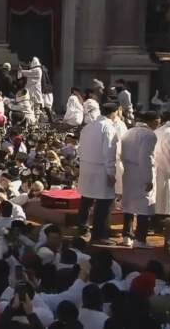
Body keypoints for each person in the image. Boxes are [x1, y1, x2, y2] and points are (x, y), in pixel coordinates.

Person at [77, 102, 120, 245]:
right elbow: (109, 153)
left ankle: (82, 229)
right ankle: (99, 235)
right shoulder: (108, 128)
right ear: (114, 112)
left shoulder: (88, 127)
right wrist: (111, 173)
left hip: (86, 167)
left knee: (86, 200)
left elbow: (80, 148)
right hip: (100, 170)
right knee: (104, 203)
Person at [120, 111, 159, 249]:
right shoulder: (149, 135)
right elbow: (145, 157)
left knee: (129, 204)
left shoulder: (128, 132)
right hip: (141, 171)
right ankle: (140, 239)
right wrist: (148, 179)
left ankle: (126, 235)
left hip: (129, 170)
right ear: (153, 121)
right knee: (144, 206)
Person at [154, 111, 170, 228]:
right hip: (167, 170)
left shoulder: (158, 130)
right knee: (166, 202)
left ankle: (155, 224)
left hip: (155, 169)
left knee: (158, 200)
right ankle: (162, 226)